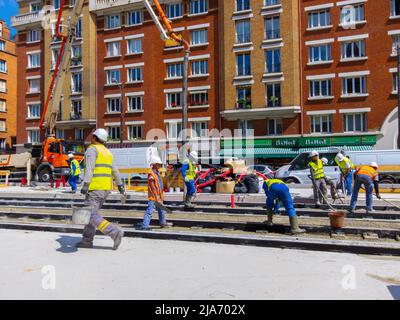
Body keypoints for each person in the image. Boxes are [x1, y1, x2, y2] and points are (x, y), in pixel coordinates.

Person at [77, 128, 125, 250]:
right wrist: (120, 186)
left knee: (90, 215)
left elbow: (89, 169)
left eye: (92, 136)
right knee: (92, 215)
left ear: (95, 138)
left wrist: (85, 185)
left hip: (94, 188)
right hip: (105, 190)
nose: (91, 138)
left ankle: (114, 232)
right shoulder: (108, 152)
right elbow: (115, 170)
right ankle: (87, 241)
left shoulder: (92, 149)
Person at [138, 157, 173, 230]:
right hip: (154, 196)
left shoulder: (157, 173)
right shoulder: (151, 174)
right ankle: (145, 226)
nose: (160, 166)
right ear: (155, 164)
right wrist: (156, 196)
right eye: (159, 164)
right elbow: (153, 187)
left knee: (161, 209)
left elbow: (159, 184)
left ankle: (163, 223)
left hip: (158, 195)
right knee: (149, 211)